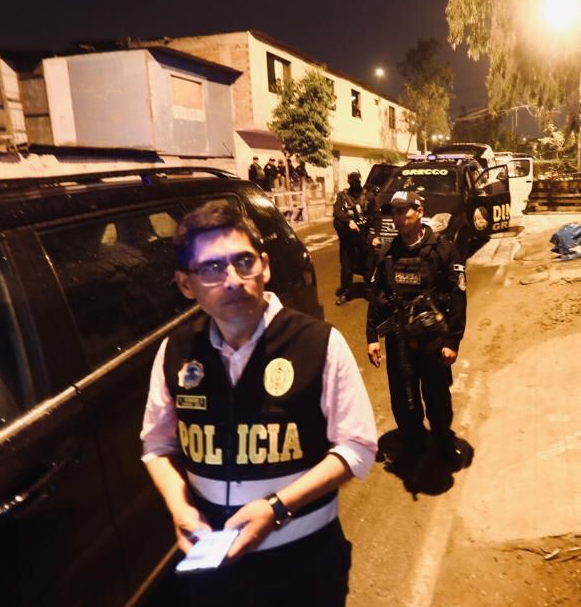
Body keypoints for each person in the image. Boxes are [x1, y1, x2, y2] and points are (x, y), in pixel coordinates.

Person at [140, 201, 377, 605]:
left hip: (305, 566)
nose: (232, 279)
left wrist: (277, 507)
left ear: (264, 266)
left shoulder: (318, 343)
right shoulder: (176, 351)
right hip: (215, 569)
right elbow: (157, 446)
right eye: (211, 268)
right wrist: (180, 508)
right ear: (186, 284)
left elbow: (357, 448)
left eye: (243, 261)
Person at [366, 191, 468, 468]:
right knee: (402, 397)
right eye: (393, 212)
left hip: (433, 340)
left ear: (419, 211)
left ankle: (443, 443)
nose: (397, 218)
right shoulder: (388, 252)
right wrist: (372, 335)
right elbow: (376, 294)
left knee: (436, 396)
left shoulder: (443, 249)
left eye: (402, 211)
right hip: (399, 340)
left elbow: (458, 297)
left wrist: (452, 341)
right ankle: (413, 445)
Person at [332, 170, 370, 305]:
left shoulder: (368, 195)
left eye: (356, 179)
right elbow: (337, 212)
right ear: (348, 181)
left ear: (360, 179)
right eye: (351, 180)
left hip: (363, 236)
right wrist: (349, 221)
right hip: (348, 238)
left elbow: (375, 214)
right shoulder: (342, 196)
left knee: (367, 265)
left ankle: (369, 290)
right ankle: (346, 292)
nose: (354, 182)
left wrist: (375, 234)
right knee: (346, 267)